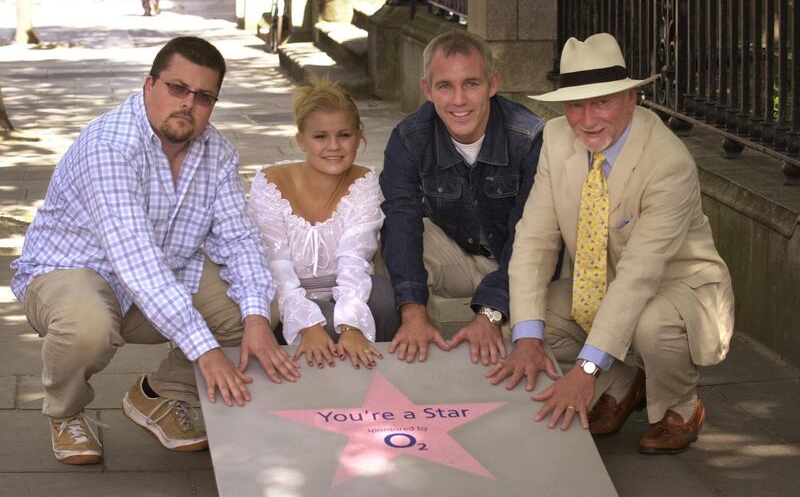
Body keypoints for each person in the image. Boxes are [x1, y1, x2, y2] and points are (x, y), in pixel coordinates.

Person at [11, 36, 299, 466]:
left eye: (203, 96)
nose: (188, 104)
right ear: (149, 85)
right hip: (74, 271)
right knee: (86, 324)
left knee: (256, 304)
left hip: (163, 269)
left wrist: (258, 318)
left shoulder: (216, 150)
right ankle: (67, 412)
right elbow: (136, 261)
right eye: (176, 88)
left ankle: (160, 395)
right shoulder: (109, 146)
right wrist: (208, 352)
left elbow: (238, 239)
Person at [494, 33, 734, 454]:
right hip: (606, 287)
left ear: (630, 98)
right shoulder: (553, 138)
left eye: (600, 102)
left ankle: (682, 405)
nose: (586, 120)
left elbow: (640, 275)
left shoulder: (668, 161)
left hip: (679, 287)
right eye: (575, 105)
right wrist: (526, 339)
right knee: (535, 317)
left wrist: (583, 369)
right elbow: (533, 239)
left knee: (651, 325)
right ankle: (623, 382)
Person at [380, 30, 546, 365]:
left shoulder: (528, 138)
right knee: (383, 237)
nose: (459, 100)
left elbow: (534, 240)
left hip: (517, 263)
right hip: (456, 257)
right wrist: (413, 313)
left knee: (538, 246)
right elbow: (401, 223)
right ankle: (407, 358)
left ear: (493, 84)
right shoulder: (410, 139)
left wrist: (490, 313)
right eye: (445, 86)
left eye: (471, 84)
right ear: (427, 90)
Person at [247, 79, 400, 370]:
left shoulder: (363, 182)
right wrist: (308, 325)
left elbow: (354, 260)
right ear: (301, 140)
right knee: (320, 322)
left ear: (359, 136)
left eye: (344, 135)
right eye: (320, 137)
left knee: (386, 297)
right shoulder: (270, 182)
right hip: (286, 296)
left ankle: (377, 380)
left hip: (344, 289)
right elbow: (276, 266)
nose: (333, 147)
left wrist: (351, 327)